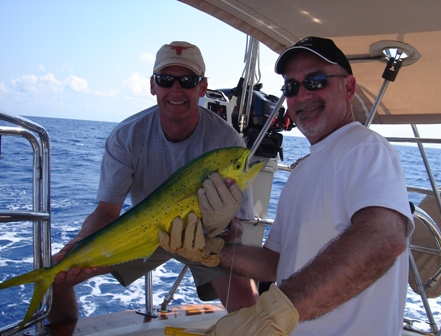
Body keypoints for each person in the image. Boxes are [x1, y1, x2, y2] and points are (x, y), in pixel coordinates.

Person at [160, 36, 414, 335]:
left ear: (348, 87)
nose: (302, 95)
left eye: (315, 81)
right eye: (291, 87)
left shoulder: (364, 147)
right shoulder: (302, 171)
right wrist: (212, 251)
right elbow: (275, 263)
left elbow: (384, 238)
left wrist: (276, 313)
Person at [48, 41, 258, 323]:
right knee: (57, 276)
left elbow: (236, 229)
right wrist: (81, 244)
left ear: (202, 87)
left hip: (207, 239)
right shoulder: (127, 135)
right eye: (165, 80)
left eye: (187, 80)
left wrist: (217, 236)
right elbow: (107, 211)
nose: (176, 90)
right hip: (147, 235)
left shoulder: (227, 143)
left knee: (250, 306)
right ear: (152, 86)